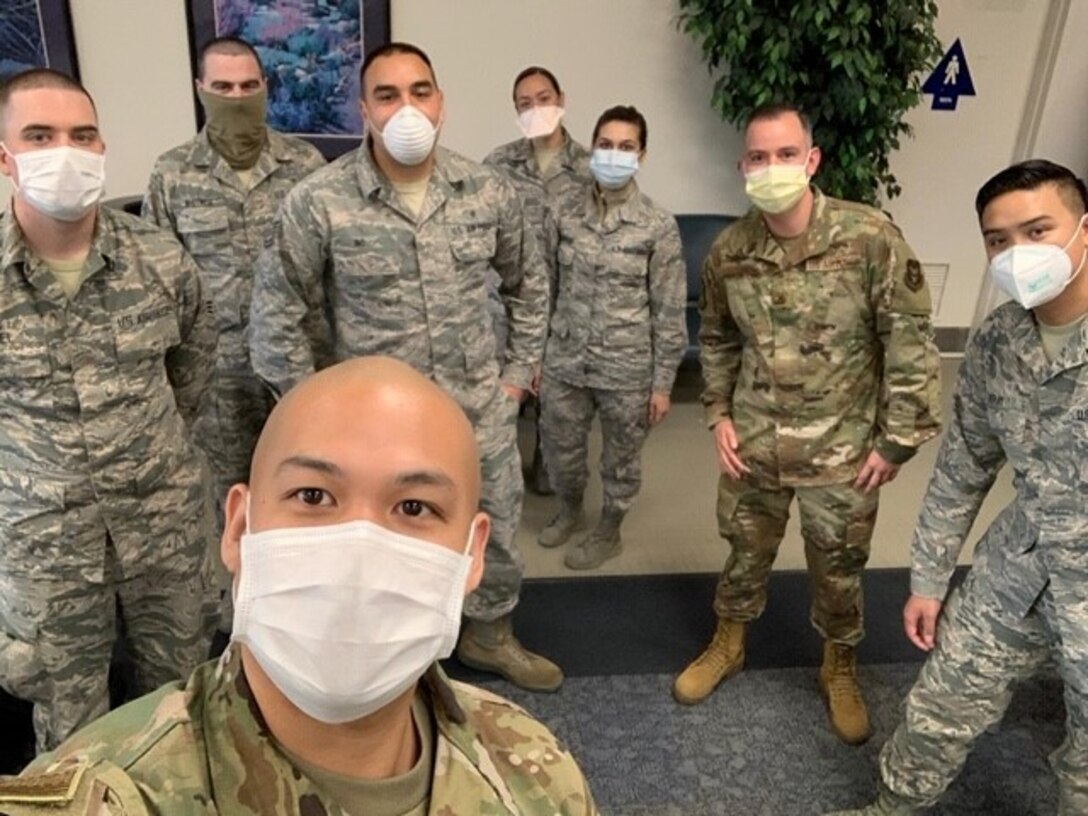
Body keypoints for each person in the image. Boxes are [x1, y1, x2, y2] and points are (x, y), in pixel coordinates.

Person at [0, 357, 599, 816]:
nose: (359, 549)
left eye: (414, 507)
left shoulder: (534, 772)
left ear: (471, 556)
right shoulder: (113, 793)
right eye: (313, 496)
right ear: (238, 527)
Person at [248, 43, 561, 692]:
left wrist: (515, 378)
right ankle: (395, 666)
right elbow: (277, 309)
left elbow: (528, 285)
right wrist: (312, 418)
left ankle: (491, 636)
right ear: (365, 110)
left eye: (420, 92)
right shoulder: (320, 201)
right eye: (387, 96)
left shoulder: (487, 191)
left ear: (441, 104)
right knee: (379, 551)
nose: (406, 109)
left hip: (478, 409)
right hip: (372, 433)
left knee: (493, 531)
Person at [673, 103, 942, 745]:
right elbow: (715, 338)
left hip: (843, 450)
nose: (773, 168)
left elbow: (908, 337)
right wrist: (717, 414)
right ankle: (729, 643)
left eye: (786, 154)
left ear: (812, 159)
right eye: (759, 158)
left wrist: (897, 439)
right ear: (744, 167)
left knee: (839, 568)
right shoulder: (731, 250)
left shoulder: (869, 237)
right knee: (743, 552)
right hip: (756, 443)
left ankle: (838, 666)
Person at [828, 160, 1088, 815]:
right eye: (998, 240)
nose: (1016, 253)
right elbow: (963, 465)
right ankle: (893, 807)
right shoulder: (999, 339)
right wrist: (928, 579)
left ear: (1083, 231)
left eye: (1037, 229)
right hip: (1022, 565)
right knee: (939, 705)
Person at [0, 69, 218, 752]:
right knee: (71, 727)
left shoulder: (158, 260)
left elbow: (193, 368)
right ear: (5, 156)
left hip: (164, 530)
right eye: (40, 136)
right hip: (46, 549)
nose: (66, 150)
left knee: (179, 707)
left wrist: (147, 448)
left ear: (102, 148)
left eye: (82, 135)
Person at [142, 36, 324, 540]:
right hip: (217, 375)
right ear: (202, 90)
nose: (237, 96)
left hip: (296, 367)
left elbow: (327, 275)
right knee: (230, 502)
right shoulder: (173, 174)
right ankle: (239, 608)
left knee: (307, 489)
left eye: (248, 85)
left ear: (266, 87)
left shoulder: (305, 166)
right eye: (223, 86)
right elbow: (160, 286)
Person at [538, 105, 686, 570]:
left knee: (621, 460)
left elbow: (668, 308)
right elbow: (543, 287)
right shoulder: (562, 212)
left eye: (626, 147)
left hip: (627, 366)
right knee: (560, 449)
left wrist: (662, 384)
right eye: (606, 144)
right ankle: (568, 509)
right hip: (564, 357)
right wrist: (536, 358)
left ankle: (609, 530)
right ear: (592, 148)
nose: (614, 155)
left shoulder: (657, 226)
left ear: (641, 154)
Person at [484, 66, 591, 495]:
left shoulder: (589, 167)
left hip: (570, 300)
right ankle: (499, 474)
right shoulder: (498, 164)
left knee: (559, 403)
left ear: (561, 99)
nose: (535, 109)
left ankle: (547, 464)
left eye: (543, 99)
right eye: (524, 104)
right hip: (509, 303)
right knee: (501, 398)